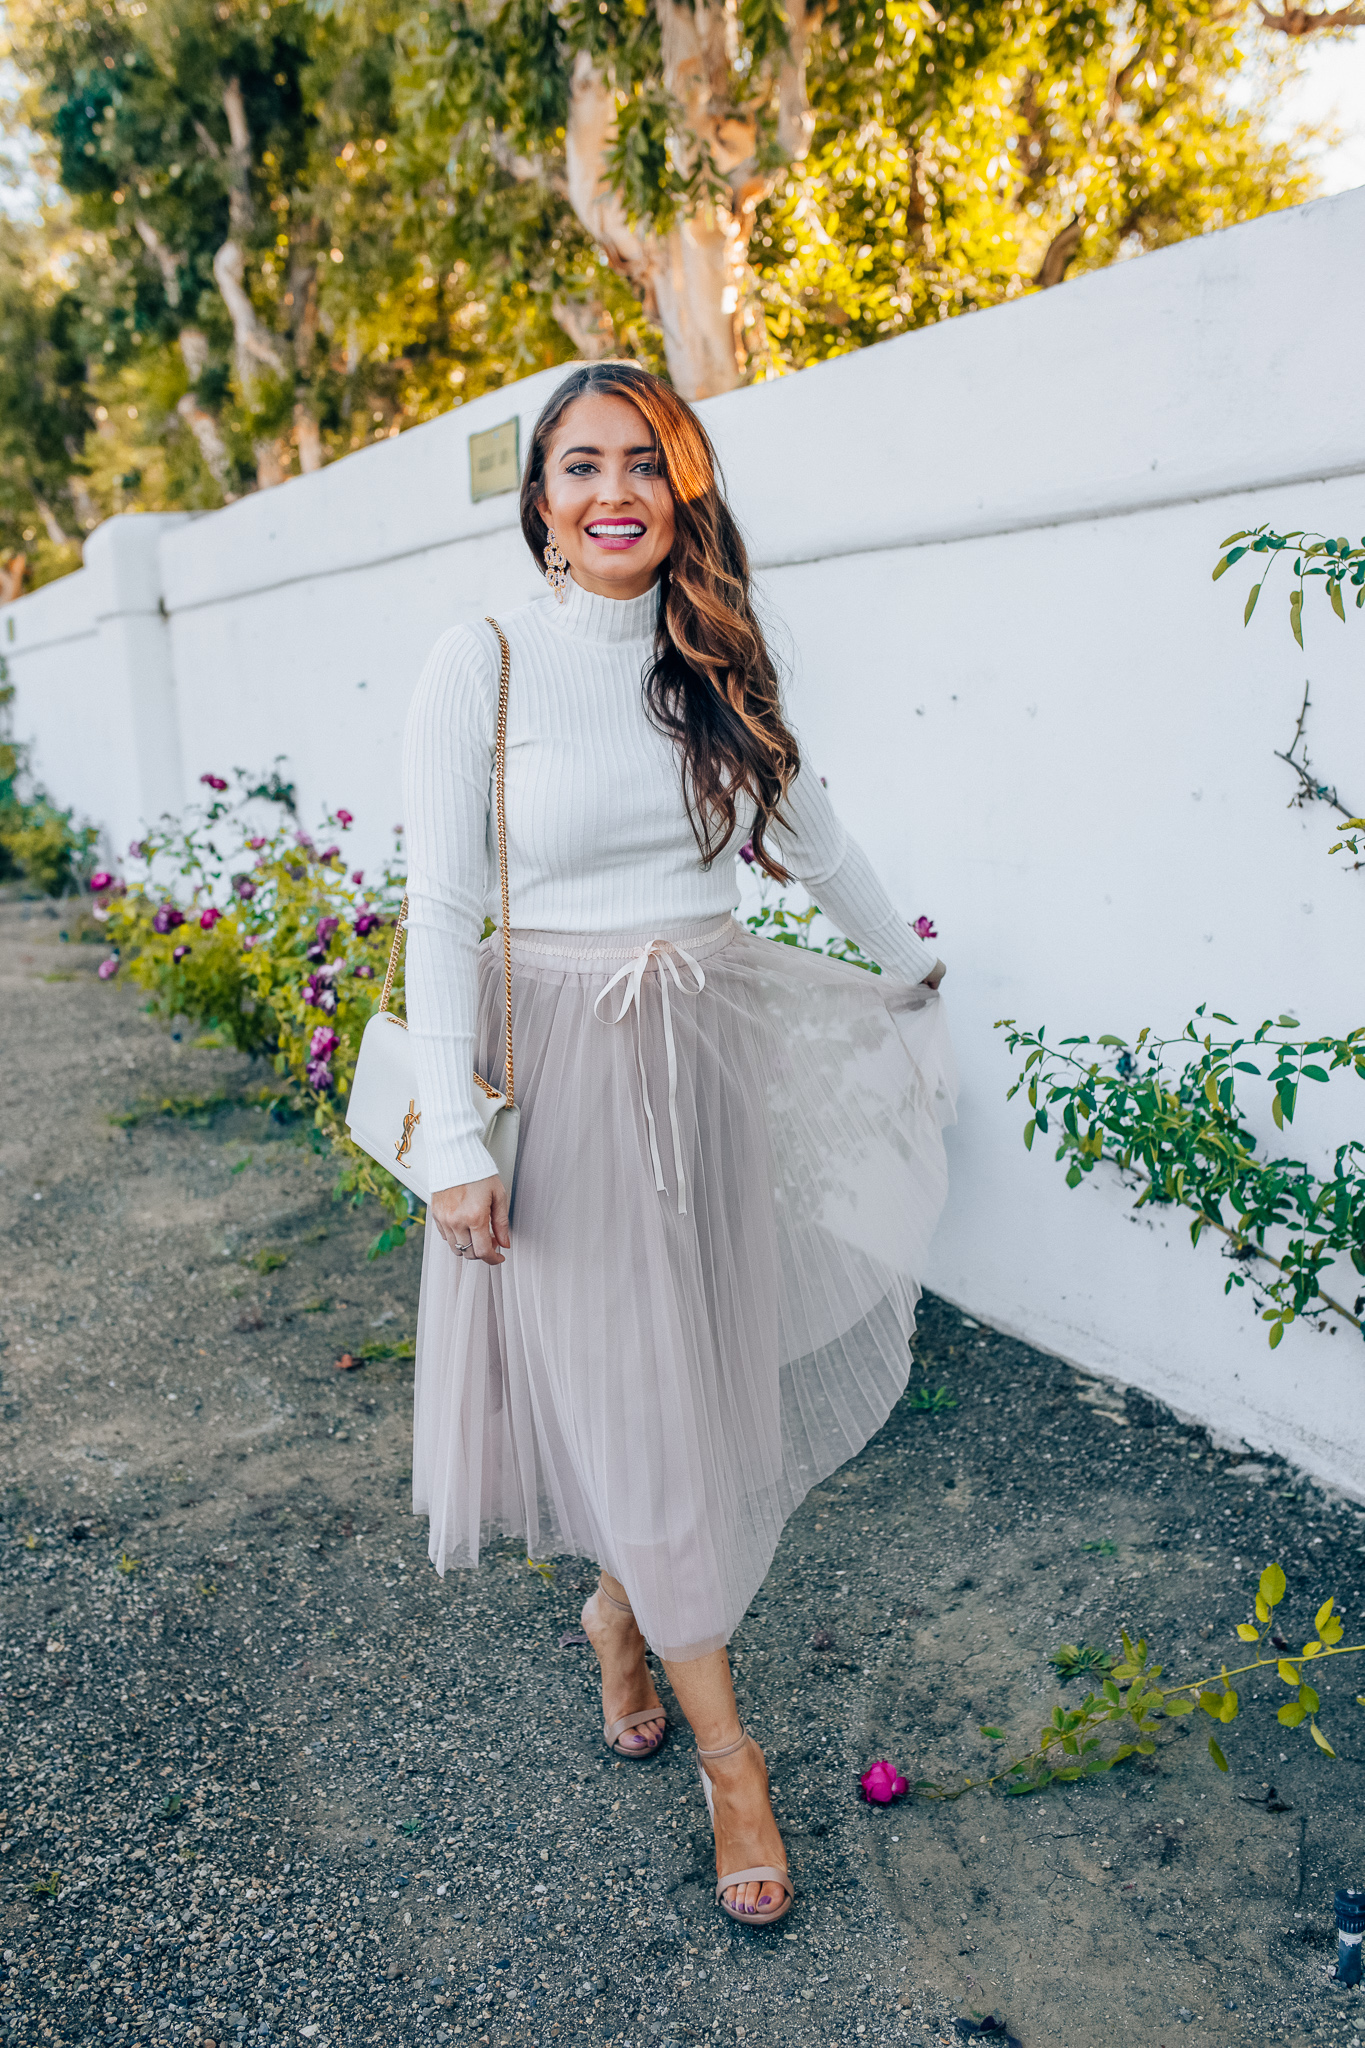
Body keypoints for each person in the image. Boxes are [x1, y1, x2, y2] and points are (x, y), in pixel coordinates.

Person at [402, 362, 956, 1928]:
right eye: (578, 466)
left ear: (683, 488)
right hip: (563, 1078)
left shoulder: (710, 657)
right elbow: (441, 909)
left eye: (643, 463)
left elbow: (806, 823)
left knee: (697, 1389)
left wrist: (901, 963)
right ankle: (734, 1762)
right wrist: (454, 1135)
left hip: (703, 1063)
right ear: (539, 504)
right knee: (635, 1404)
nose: (611, 490)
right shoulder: (483, 658)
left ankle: (617, 1613)